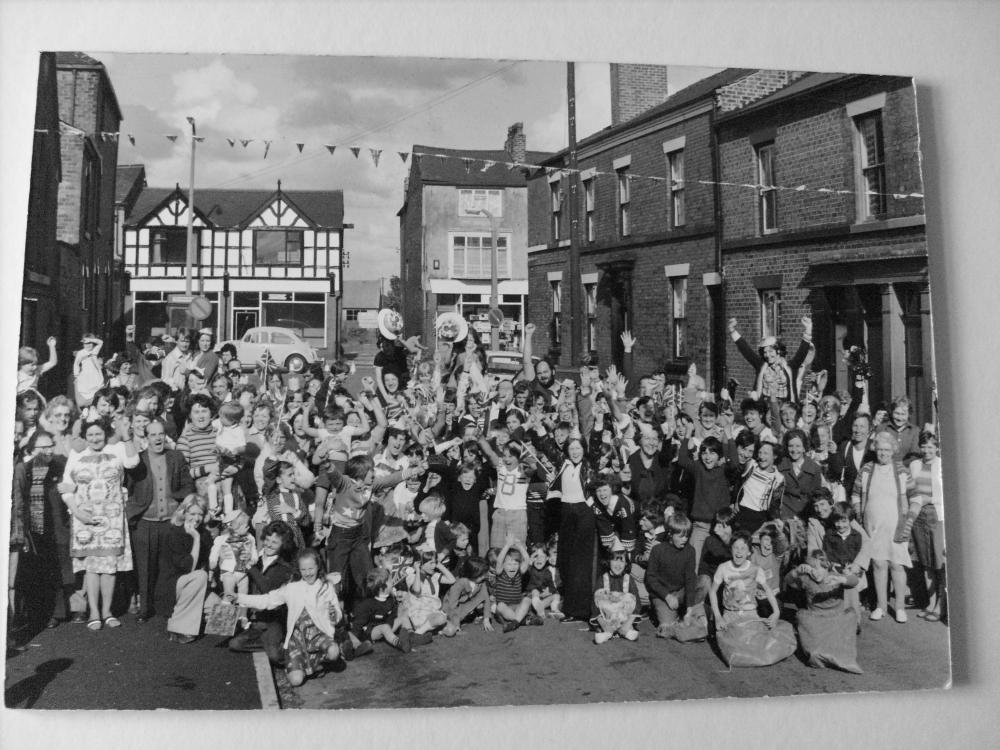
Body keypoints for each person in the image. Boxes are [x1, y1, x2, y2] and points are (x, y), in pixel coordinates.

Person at [59, 415, 140, 630]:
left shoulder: (116, 452)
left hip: (112, 518)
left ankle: (107, 611)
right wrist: (77, 512)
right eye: (90, 434)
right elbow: (65, 488)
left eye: (98, 434)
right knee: (92, 568)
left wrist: (126, 436)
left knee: (110, 567)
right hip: (85, 518)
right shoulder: (76, 456)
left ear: (105, 434)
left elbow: (134, 462)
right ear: (85, 437)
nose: (95, 438)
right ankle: (94, 611)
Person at [237, 547, 344, 686]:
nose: (307, 573)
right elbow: (267, 600)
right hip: (297, 640)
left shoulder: (326, 587)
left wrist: (333, 614)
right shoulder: (292, 588)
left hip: (319, 635)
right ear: (299, 570)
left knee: (334, 652)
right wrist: (238, 597)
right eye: (303, 570)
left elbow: (337, 616)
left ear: (318, 567)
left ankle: (321, 663)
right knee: (296, 680)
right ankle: (309, 667)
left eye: (311, 568)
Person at [124, 417, 196, 623]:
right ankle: (145, 609)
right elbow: (127, 488)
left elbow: (187, 484)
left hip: (171, 521)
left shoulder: (176, 457)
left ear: (165, 436)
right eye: (153, 434)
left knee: (169, 566)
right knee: (145, 567)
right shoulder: (137, 459)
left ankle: (167, 606)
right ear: (146, 438)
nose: (157, 438)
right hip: (145, 521)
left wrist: (182, 507)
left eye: (160, 434)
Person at [852, 432, 917, 623]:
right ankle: (880, 606)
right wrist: (859, 514)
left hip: (896, 526)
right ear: (875, 449)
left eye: (887, 450)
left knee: (897, 565)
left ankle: (899, 607)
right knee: (878, 564)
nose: (883, 453)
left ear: (893, 451)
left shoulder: (902, 470)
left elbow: (916, 498)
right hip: (873, 527)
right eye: (879, 449)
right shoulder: (866, 469)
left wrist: (909, 521)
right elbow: (855, 494)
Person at [13, 430, 72, 629]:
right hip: (35, 529)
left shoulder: (60, 466)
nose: (47, 451)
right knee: (38, 572)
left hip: (57, 525)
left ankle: (58, 612)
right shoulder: (25, 469)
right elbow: (20, 500)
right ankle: (40, 614)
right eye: (42, 447)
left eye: (50, 446)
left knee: (58, 570)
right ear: (32, 448)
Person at [227, 521, 297, 664]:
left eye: (275, 542)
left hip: (274, 619)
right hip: (257, 618)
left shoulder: (283, 566)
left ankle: (286, 643)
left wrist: (251, 568)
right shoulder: (256, 558)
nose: (269, 544)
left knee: (275, 657)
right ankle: (271, 642)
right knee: (234, 644)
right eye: (267, 539)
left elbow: (268, 590)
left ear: (283, 545)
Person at [157, 496, 213, 643]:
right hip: (172, 585)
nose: (197, 518)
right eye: (192, 514)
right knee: (200, 575)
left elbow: (209, 563)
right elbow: (190, 567)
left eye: (200, 514)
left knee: (225, 613)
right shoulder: (173, 533)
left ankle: (196, 619)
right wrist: (196, 539)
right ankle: (178, 628)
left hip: (194, 586)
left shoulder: (205, 534)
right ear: (183, 513)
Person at [908, 431, 945, 621]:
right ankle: (930, 603)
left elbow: (946, 493)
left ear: (937, 447)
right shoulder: (914, 465)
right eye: (924, 446)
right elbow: (909, 489)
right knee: (925, 562)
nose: (927, 450)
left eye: (931, 446)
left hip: (936, 514)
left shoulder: (942, 465)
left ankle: (940, 605)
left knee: (938, 561)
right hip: (918, 515)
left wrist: (927, 499)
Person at [645, 511, 698, 638]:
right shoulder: (658, 550)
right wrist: (667, 596)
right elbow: (651, 578)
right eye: (681, 536)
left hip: (680, 592)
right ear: (670, 534)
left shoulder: (690, 551)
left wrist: (690, 607)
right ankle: (667, 614)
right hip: (662, 594)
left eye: (687, 536)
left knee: (702, 582)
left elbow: (690, 579)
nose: (684, 539)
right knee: (667, 629)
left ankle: (688, 612)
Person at [209, 509, 258, 628]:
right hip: (229, 573)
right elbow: (214, 554)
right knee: (228, 594)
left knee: (244, 596)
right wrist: (212, 565)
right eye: (245, 526)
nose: (248, 528)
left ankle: (243, 619)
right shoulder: (222, 539)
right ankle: (221, 623)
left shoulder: (250, 538)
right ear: (236, 527)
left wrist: (251, 558)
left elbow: (255, 556)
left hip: (243, 573)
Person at [347, 567, 405, 654]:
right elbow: (358, 623)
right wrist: (356, 640)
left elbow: (392, 615)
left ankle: (413, 636)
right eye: (389, 581)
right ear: (382, 587)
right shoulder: (368, 604)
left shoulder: (390, 599)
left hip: (386, 626)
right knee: (384, 627)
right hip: (370, 631)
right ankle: (399, 643)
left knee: (403, 617)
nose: (392, 582)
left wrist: (390, 624)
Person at [592, 544, 641, 644]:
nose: (618, 564)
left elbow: (637, 603)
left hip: (624, 618)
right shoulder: (602, 579)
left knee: (629, 598)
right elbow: (594, 603)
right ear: (608, 561)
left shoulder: (629, 579)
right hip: (607, 618)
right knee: (600, 596)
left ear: (626, 563)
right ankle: (607, 632)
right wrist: (604, 624)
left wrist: (628, 623)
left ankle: (625, 630)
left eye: (621, 561)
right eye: (615, 560)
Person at [492, 535, 538, 632]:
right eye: (509, 564)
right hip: (505, 609)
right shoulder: (500, 573)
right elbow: (499, 560)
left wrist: (519, 545)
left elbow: (527, 558)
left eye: (515, 564)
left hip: (517, 606)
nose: (512, 567)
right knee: (500, 606)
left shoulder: (519, 572)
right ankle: (523, 621)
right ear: (503, 565)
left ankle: (515, 623)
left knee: (527, 600)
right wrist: (507, 545)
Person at [442, 556, 494, 636]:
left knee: (483, 600)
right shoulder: (460, 583)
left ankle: (470, 615)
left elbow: (486, 598)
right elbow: (452, 605)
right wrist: (456, 624)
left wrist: (486, 619)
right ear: (472, 574)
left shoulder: (481, 582)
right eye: (481, 575)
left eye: (484, 574)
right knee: (450, 630)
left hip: (466, 602)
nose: (483, 577)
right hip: (451, 607)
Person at [525, 542, 562, 619]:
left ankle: (554, 610)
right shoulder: (530, 569)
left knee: (556, 595)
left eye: (542, 556)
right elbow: (524, 572)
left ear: (547, 558)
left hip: (542, 597)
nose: (539, 559)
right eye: (536, 556)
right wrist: (529, 563)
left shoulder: (547, 571)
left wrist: (549, 591)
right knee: (535, 591)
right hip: (530, 597)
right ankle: (539, 610)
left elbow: (552, 586)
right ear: (532, 558)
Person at [72, 333, 105, 409]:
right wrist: (76, 375)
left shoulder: (95, 350)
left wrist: (90, 339)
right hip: (86, 373)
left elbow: (101, 342)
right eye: (86, 343)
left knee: (96, 388)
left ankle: (94, 403)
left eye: (90, 343)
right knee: (86, 390)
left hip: (95, 372)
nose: (88, 345)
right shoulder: (81, 353)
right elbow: (76, 364)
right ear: (83, 344)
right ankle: (86, 406)